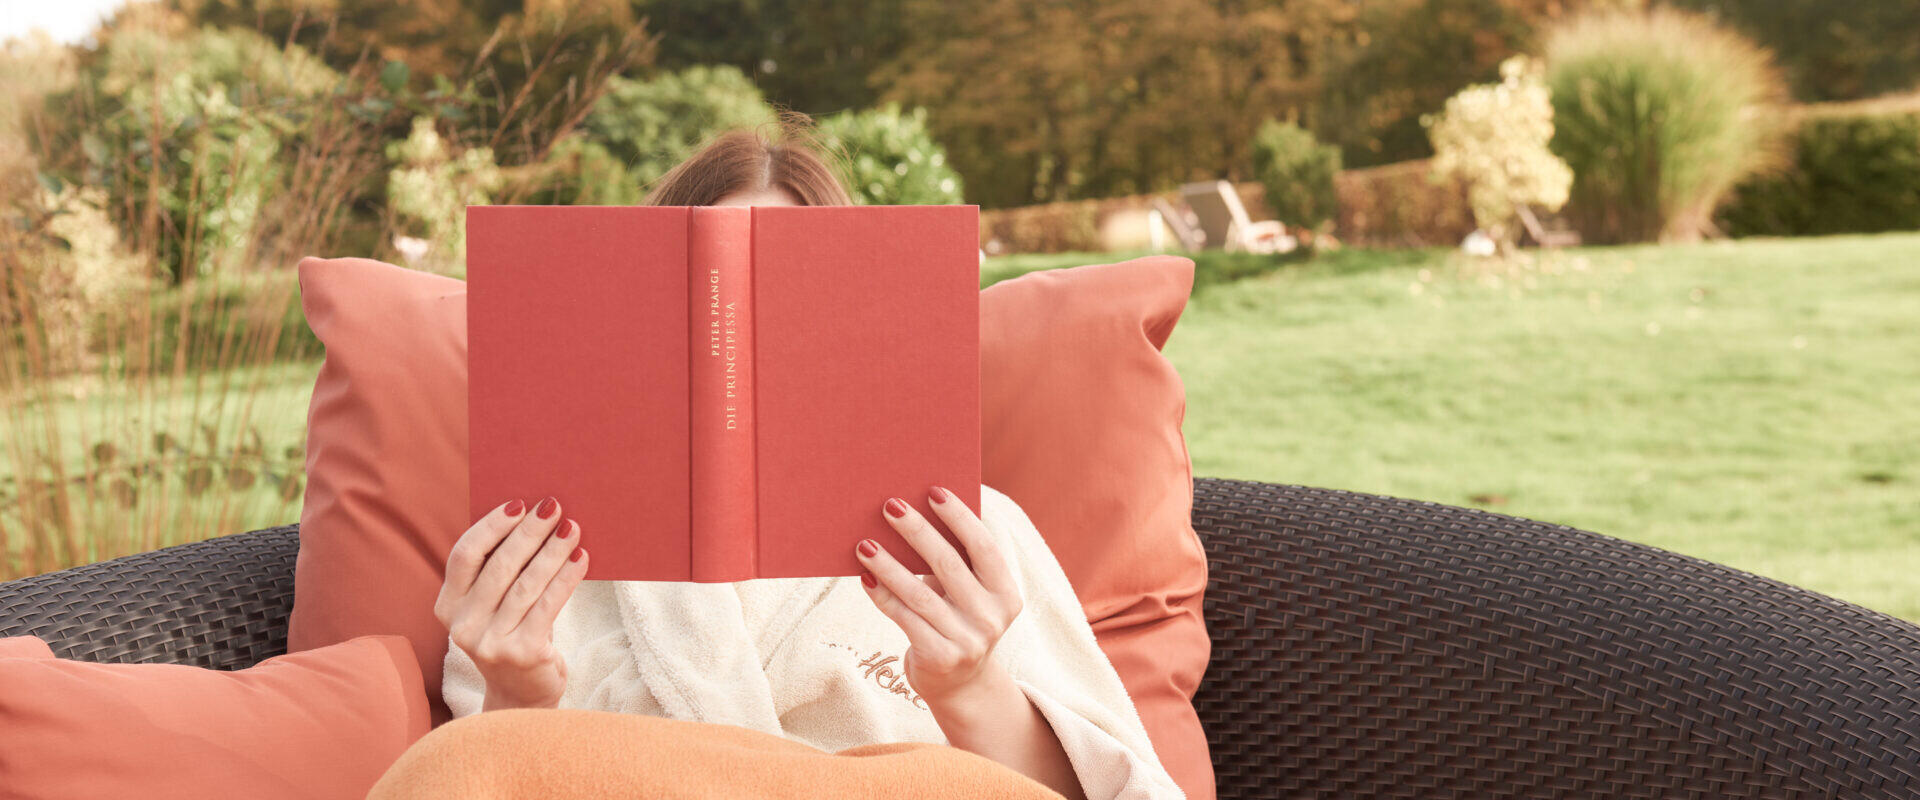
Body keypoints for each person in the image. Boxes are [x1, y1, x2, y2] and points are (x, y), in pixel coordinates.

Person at [404, 113, 1183, 800]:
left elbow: (1113, 792)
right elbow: (492, 778)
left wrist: (972, 685)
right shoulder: (534, 556)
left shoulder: (973, 536)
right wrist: (516, 696)